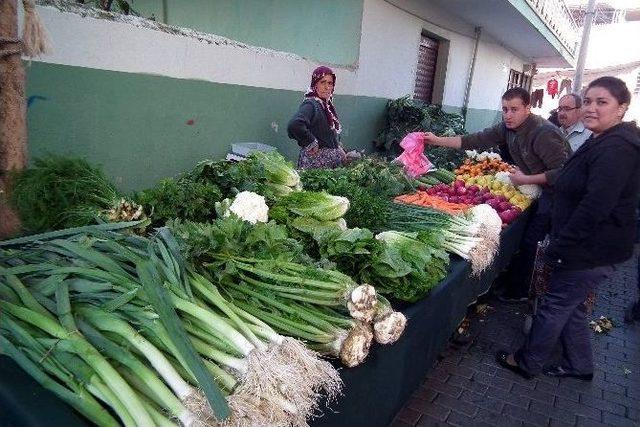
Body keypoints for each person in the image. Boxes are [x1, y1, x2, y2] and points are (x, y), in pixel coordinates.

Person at [496, 76, 640, 380]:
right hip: (591, 247)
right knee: (570, 307)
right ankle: (580, 365)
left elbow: (595, 207)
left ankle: (526, 362)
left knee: (554, 305)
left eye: (602, 102)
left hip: (590, 249)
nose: (591, 108)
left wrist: (560, 247)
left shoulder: (617, 149)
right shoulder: (602, 139)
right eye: (588, 101)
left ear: (621, 108)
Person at [423, 87, 570, 302]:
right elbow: (475, 140)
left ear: (528, 108)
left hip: (560, 194)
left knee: (532, 241)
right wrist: (437, 140)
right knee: (529, 239)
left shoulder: (543, 133)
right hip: (539, 187)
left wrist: (525, 179)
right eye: (505, 109)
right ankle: (515, 279)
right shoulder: (508, 128)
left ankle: (521, 292)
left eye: (514, 109)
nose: (508, 115)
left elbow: (564, 173)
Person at [287, 66, 346, 169]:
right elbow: (295, 125)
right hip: (315, 166)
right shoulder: (311, 104)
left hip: (327, 167)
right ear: (315, 84)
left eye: (330, 83)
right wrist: (311, 141)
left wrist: (337, 148)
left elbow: (326, 133)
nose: (327, 87)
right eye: (322, 82)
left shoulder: (326, 105)